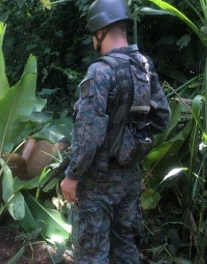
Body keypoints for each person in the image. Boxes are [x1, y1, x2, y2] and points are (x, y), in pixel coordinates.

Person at [60, 0, 170, 263]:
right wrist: (130, 144)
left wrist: (72, 176)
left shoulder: (100, 72)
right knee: (125, 249)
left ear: (100, 31)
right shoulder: (143, 65)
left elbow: (89, 136)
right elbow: (161, 118)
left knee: (92, 255)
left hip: (97, 183)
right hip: (129, 178)